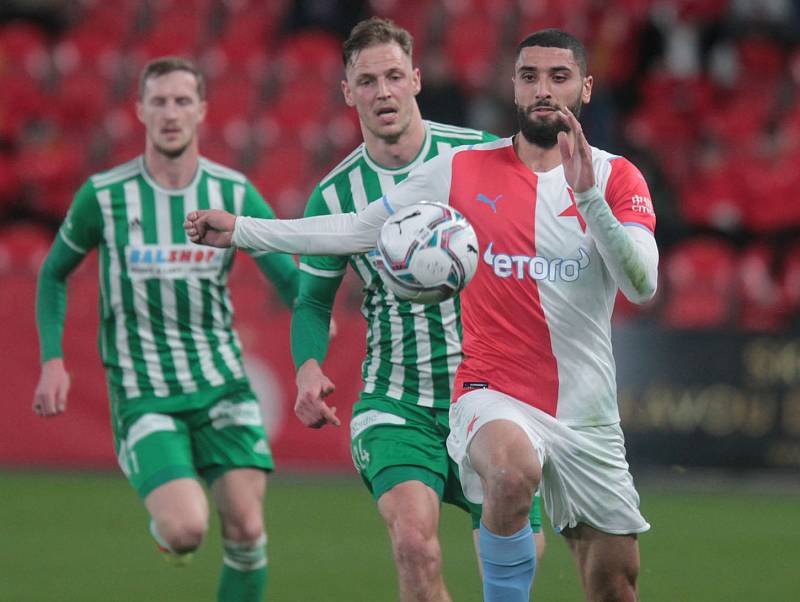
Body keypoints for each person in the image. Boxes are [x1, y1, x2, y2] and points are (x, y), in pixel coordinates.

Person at [186, 28, 658, 602]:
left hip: (586, 411)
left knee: (615, 586)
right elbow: (356, 229)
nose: (543, 89)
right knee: (492, 485)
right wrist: (242, 230)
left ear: (584, 87)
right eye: (530, 76)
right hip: (486, 391)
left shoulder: (616, 178)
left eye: (558, 77)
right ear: (513, 87)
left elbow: (642, 285)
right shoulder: (462, 169)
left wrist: (588, 200)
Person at [289, 17, 544, 602]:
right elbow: (310, 300)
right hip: (396, 400)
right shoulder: (334, 195)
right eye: (368, 81)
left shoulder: (480, 157)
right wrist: (307, 366)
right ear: (347, 92)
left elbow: (537, 251)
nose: (383, 92)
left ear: (417, 80)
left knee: (513, 562)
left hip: (491, 393)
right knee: (414, 546)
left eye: (394, 76)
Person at [33, 56, 299, 602]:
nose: (170, 112)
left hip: (223, 385)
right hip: (145, 394)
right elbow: (53, 273)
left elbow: (292, 282)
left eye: (182, 101)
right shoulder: (104, 196)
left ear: (202, 111)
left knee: (247, 531)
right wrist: (52, 358)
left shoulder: (233, 191)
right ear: (139, 111)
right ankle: (170, 537)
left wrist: (316, 347)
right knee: (186, 531)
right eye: (159, 101)